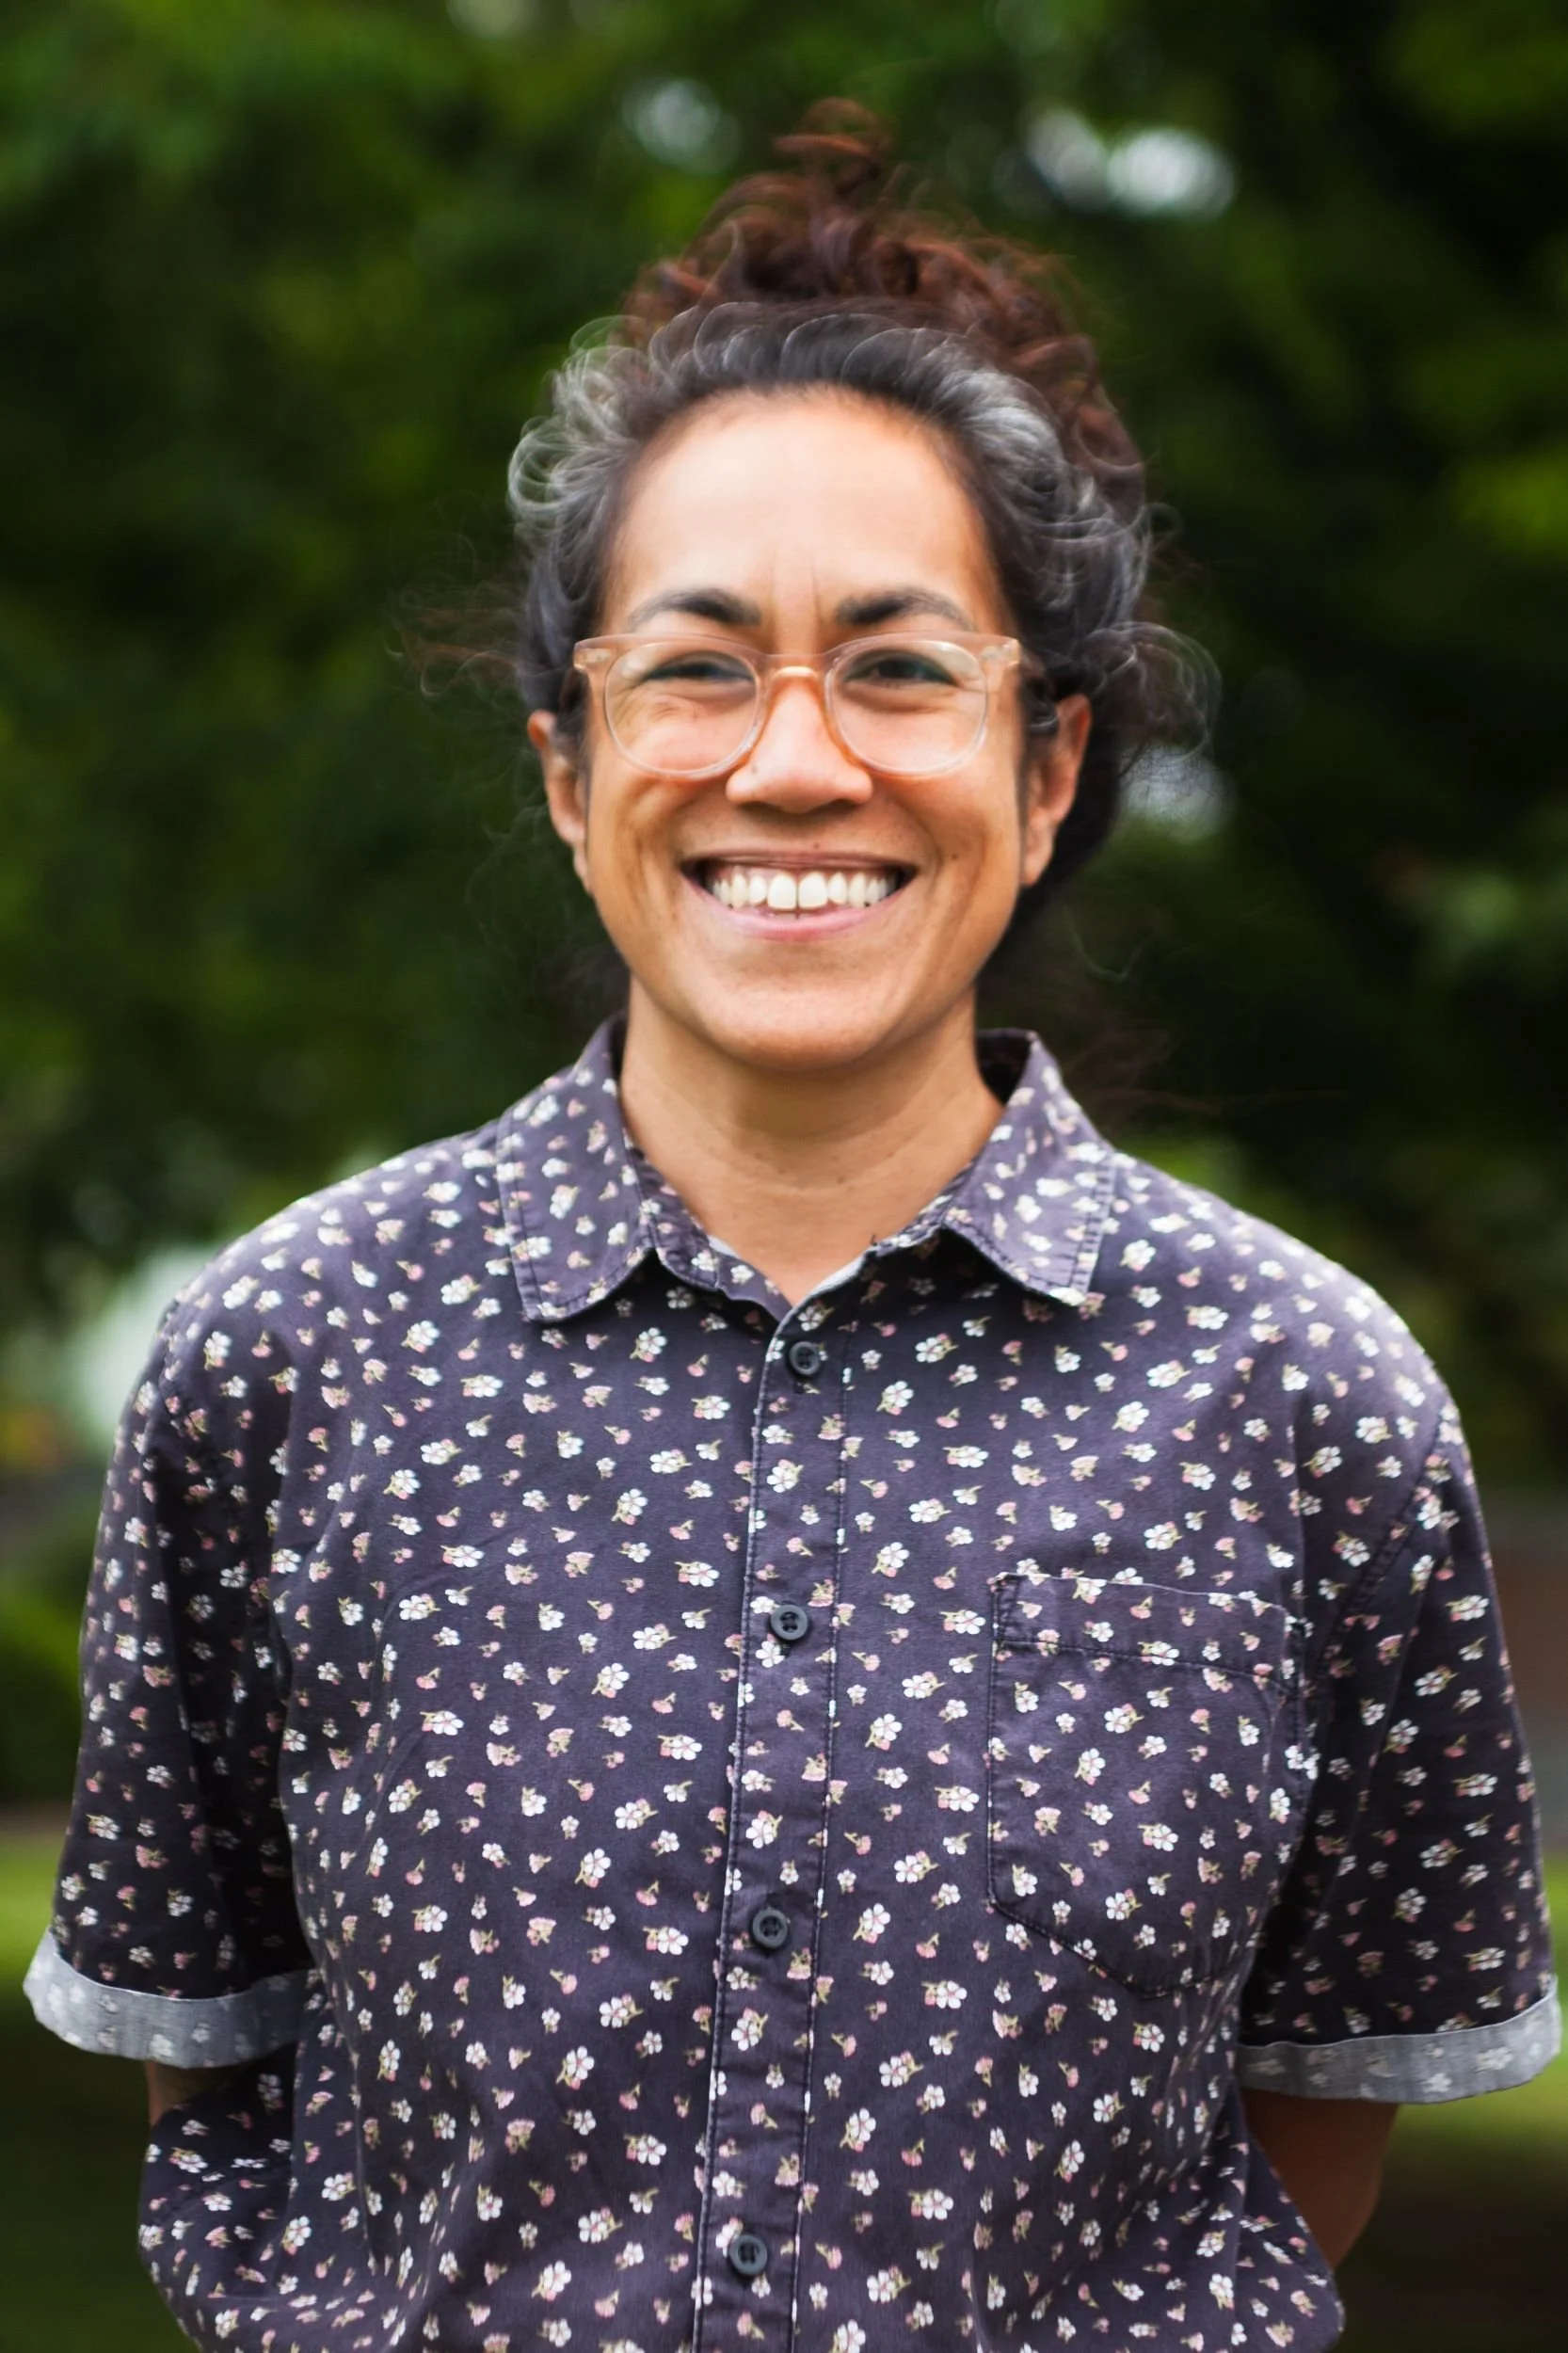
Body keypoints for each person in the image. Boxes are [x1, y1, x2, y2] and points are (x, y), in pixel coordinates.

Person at [26, 110, 1556, 2353]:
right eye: (701, 663)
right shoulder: (291, 1359)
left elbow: (1310, 2123)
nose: (794, 759)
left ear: (1043, 771)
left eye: (901, 665)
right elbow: (219, 2052)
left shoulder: (1300, 1401)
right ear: (571, 773)